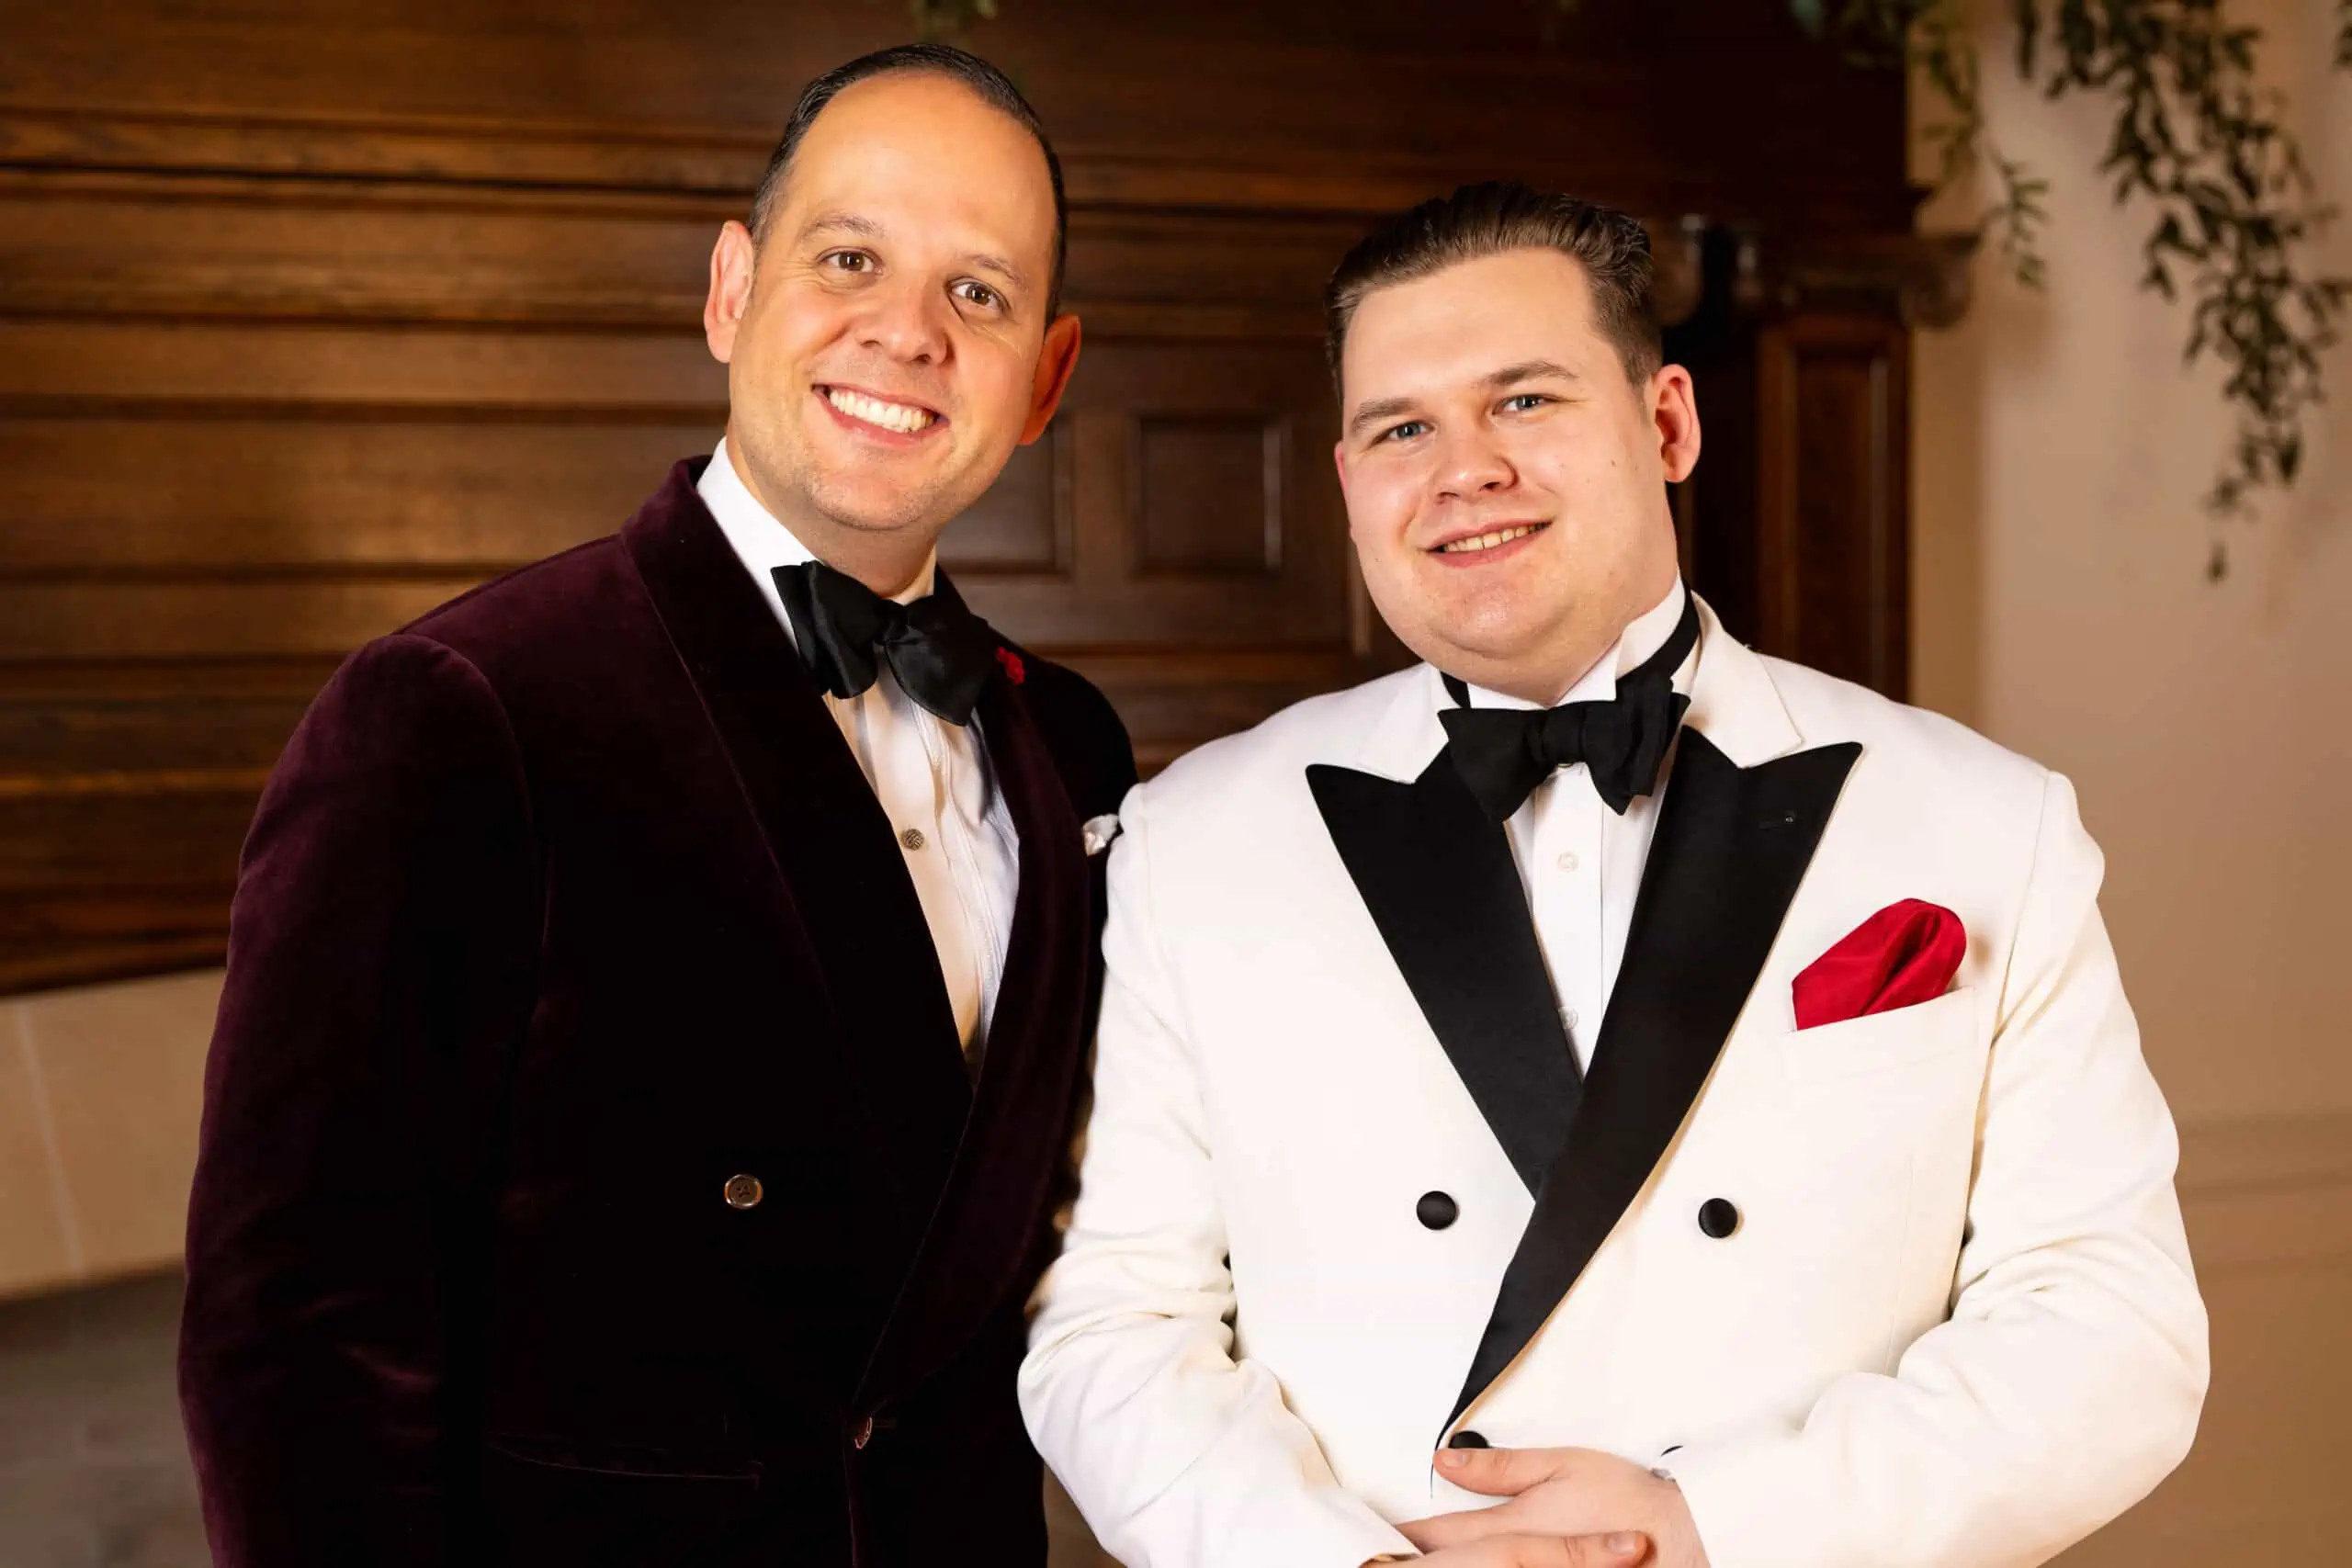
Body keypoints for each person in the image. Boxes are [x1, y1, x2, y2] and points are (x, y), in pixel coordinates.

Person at [1020, 183, 2206, 1568]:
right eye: (1403, 426)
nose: (1465, 467)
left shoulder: (1987, 825)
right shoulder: (1192, 841)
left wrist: (1717, 1528)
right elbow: (1114, 1318)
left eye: (1525, 401)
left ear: (1668, 424)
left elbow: (2112, 1325)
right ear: (1350, 485)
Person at [179, 43, 1133, 1568]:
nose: (907, 332)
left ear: (1047, 377)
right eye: (849, 258)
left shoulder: (1068, 742)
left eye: (980, 293)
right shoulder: (456, 708)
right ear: (731, 293)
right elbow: (300, 1334)